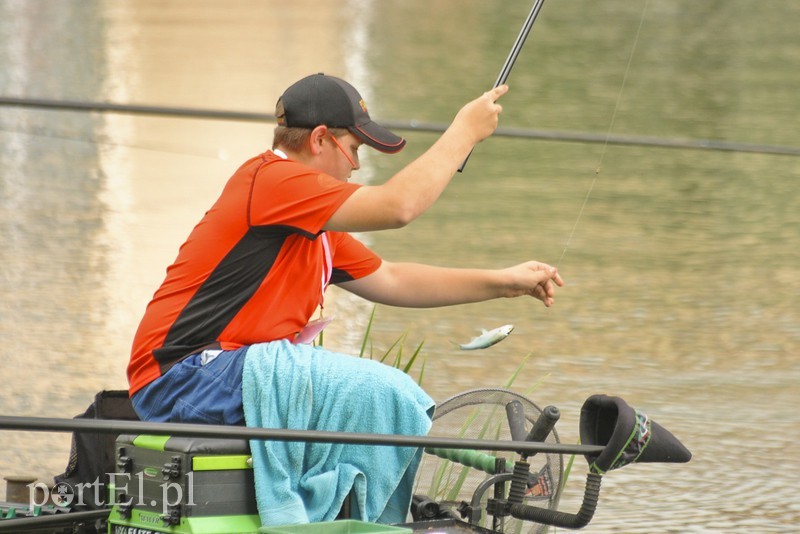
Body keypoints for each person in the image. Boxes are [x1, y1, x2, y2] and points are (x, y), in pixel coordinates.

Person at [126, 73, 564, 525]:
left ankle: (375, 506)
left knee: (381, 392)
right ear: (319, 140)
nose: (355, 166)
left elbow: (392, 279)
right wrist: (464, 131)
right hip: (183, 376)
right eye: (353, 149)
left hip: (222, 375)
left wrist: (505, 283)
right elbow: (399, 206)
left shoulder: (314, 226)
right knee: (380, 389)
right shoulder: (274, 181)